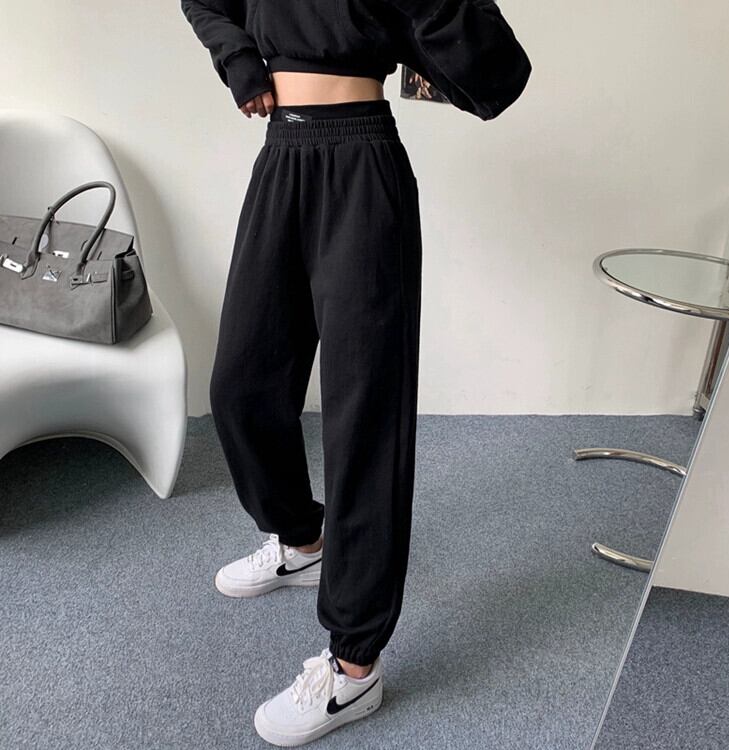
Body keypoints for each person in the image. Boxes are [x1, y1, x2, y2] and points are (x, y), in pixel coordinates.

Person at [180, 0, 531, 745]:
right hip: (282, 156)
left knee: (364, 416)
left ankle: (354, 665)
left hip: (363, 161)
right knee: (240, 387)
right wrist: (237, 57)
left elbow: (498, 76)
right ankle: (303, 541)